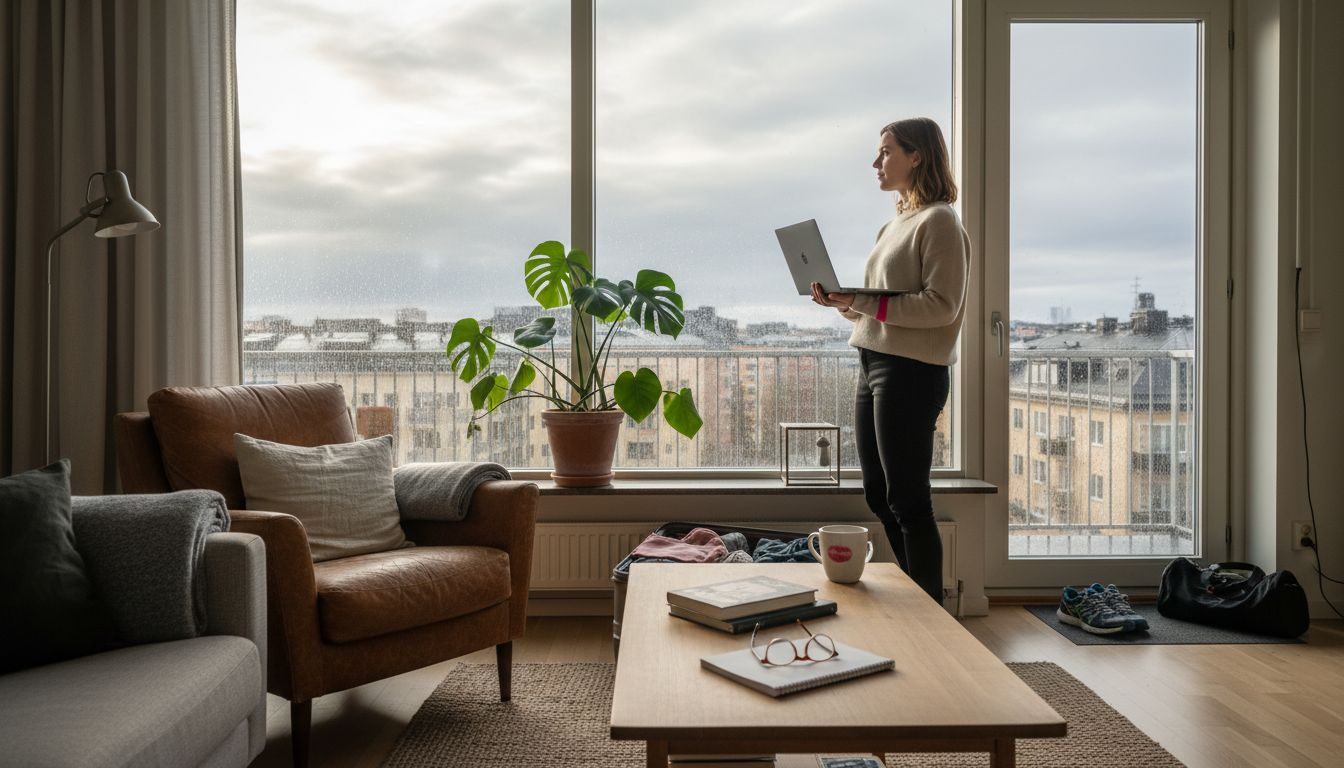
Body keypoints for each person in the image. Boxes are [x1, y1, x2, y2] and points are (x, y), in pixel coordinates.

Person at [809, 117, 969, 603]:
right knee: (880, 494)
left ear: (915, 156)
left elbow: (942, 306)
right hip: (874, 359)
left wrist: (863, 301)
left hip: (912, 370)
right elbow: (885, 304)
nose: (875, 162)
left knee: (908, 500)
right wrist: (846, 303)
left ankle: (931, 613)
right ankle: (923, 599)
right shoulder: (895, 222)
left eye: (885, 152)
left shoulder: (940, 220)